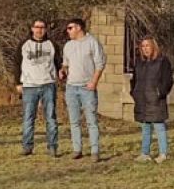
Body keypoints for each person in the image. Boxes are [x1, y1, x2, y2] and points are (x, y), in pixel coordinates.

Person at [59, 18, 107, 162]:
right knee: (74, 121)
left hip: (87, 87)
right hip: (71, 87)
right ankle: (77, 149)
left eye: (70, 28)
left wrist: (94, 82)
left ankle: (95, 151)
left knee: (91, 120)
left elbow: (100, 63)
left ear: (79, 27)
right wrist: (63, 71)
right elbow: (65, 64)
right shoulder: (68, 45)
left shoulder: (92, 42)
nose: (68, 31)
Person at [13, 18, 60, 157]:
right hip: (29, 86)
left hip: (48, 85)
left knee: (51, 117)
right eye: (37, 27)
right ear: (32, 28)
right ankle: (27, 146)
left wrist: (61, 73)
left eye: (42, 27)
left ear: (46, 29)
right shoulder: (24, 44)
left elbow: (58, 62)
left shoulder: (52, 45)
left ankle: (52, 147)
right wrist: (18, 83)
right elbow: (17, 64)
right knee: (28, 117)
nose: (39, 30)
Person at [130, 36, 174, 163]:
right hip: (142, 100)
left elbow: (168, 80)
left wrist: (160, 93)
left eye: (147, 46)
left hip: (155, 100)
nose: (145, 49)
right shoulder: (139, 62)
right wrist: (134, 92)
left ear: (153, 46)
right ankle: (145, 153)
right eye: (143, 46)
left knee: (159, 126)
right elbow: (134, 80)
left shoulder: (162, 61)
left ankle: (163, 154)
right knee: (145, 127)